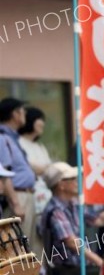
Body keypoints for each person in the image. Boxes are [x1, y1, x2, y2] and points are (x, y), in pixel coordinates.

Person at [40, 162, 104, 275]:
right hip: (66, 270)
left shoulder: (74, 204)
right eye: (73, 178)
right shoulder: (55, 211)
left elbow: (100, 220)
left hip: (81, 266)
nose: (77, 181)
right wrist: (100, 262)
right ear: (61, 185)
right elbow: (72, 243)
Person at [0, 98, 41, 253]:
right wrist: (16, 203)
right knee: (15, 249)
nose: (24, 114)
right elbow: (4, 174)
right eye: (22, 110)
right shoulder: (2, 137)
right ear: (14, 114)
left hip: (24, 195)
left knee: (25, 247)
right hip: (16, 196)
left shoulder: (12, 138)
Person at [18, 107, 53, 233]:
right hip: (30, 193)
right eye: (39, 119)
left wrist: (43, 169)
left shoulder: (40, 147)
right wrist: (43, 169)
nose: (42, 123)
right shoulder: (18, 143)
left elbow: (49, 170)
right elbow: (27, 167)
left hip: (45, 195)